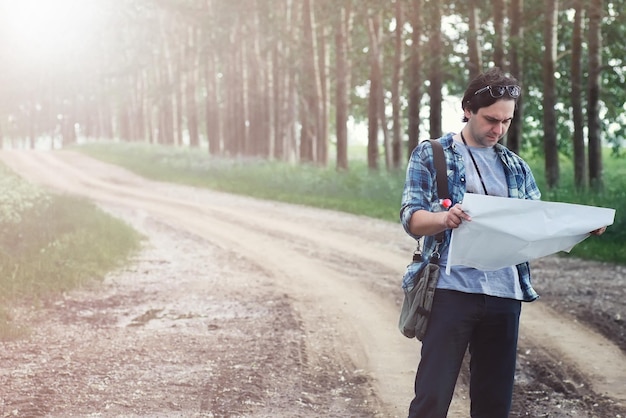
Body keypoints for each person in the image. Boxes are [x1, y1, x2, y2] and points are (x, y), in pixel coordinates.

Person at [399, 67, 607, 418]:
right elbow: (412, 218)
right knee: (431, 399)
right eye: (491, 119)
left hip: (504, 296)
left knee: (494, 404)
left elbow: (539, 224)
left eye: (506, 121)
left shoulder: (516, 167)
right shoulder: (432, 154)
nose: (498, 129)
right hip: (450, 292)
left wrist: (582, 227)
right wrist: (443, 220)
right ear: (467, 109)